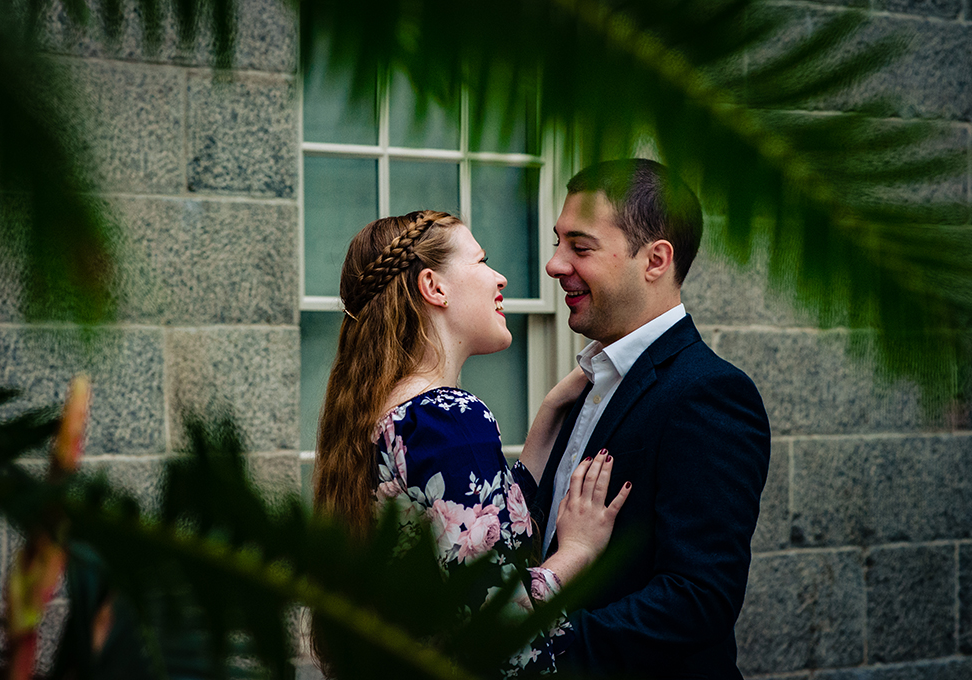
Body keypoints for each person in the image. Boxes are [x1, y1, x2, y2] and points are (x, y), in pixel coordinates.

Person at [312, 210, 631, 676]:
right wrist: (576, 551)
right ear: (434, 288)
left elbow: (468, 524)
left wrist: (548, 414)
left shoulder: (392, 412)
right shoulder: (448, 416)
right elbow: (497, 623)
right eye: (481, 261)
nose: (499, 277)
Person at [531, 159, 771, 678]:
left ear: (656, 259)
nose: (554, 264)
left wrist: (540, 653)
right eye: (558, 242)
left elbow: (698, 598)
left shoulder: (710, 393)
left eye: (580, 246)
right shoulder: (586, 383)